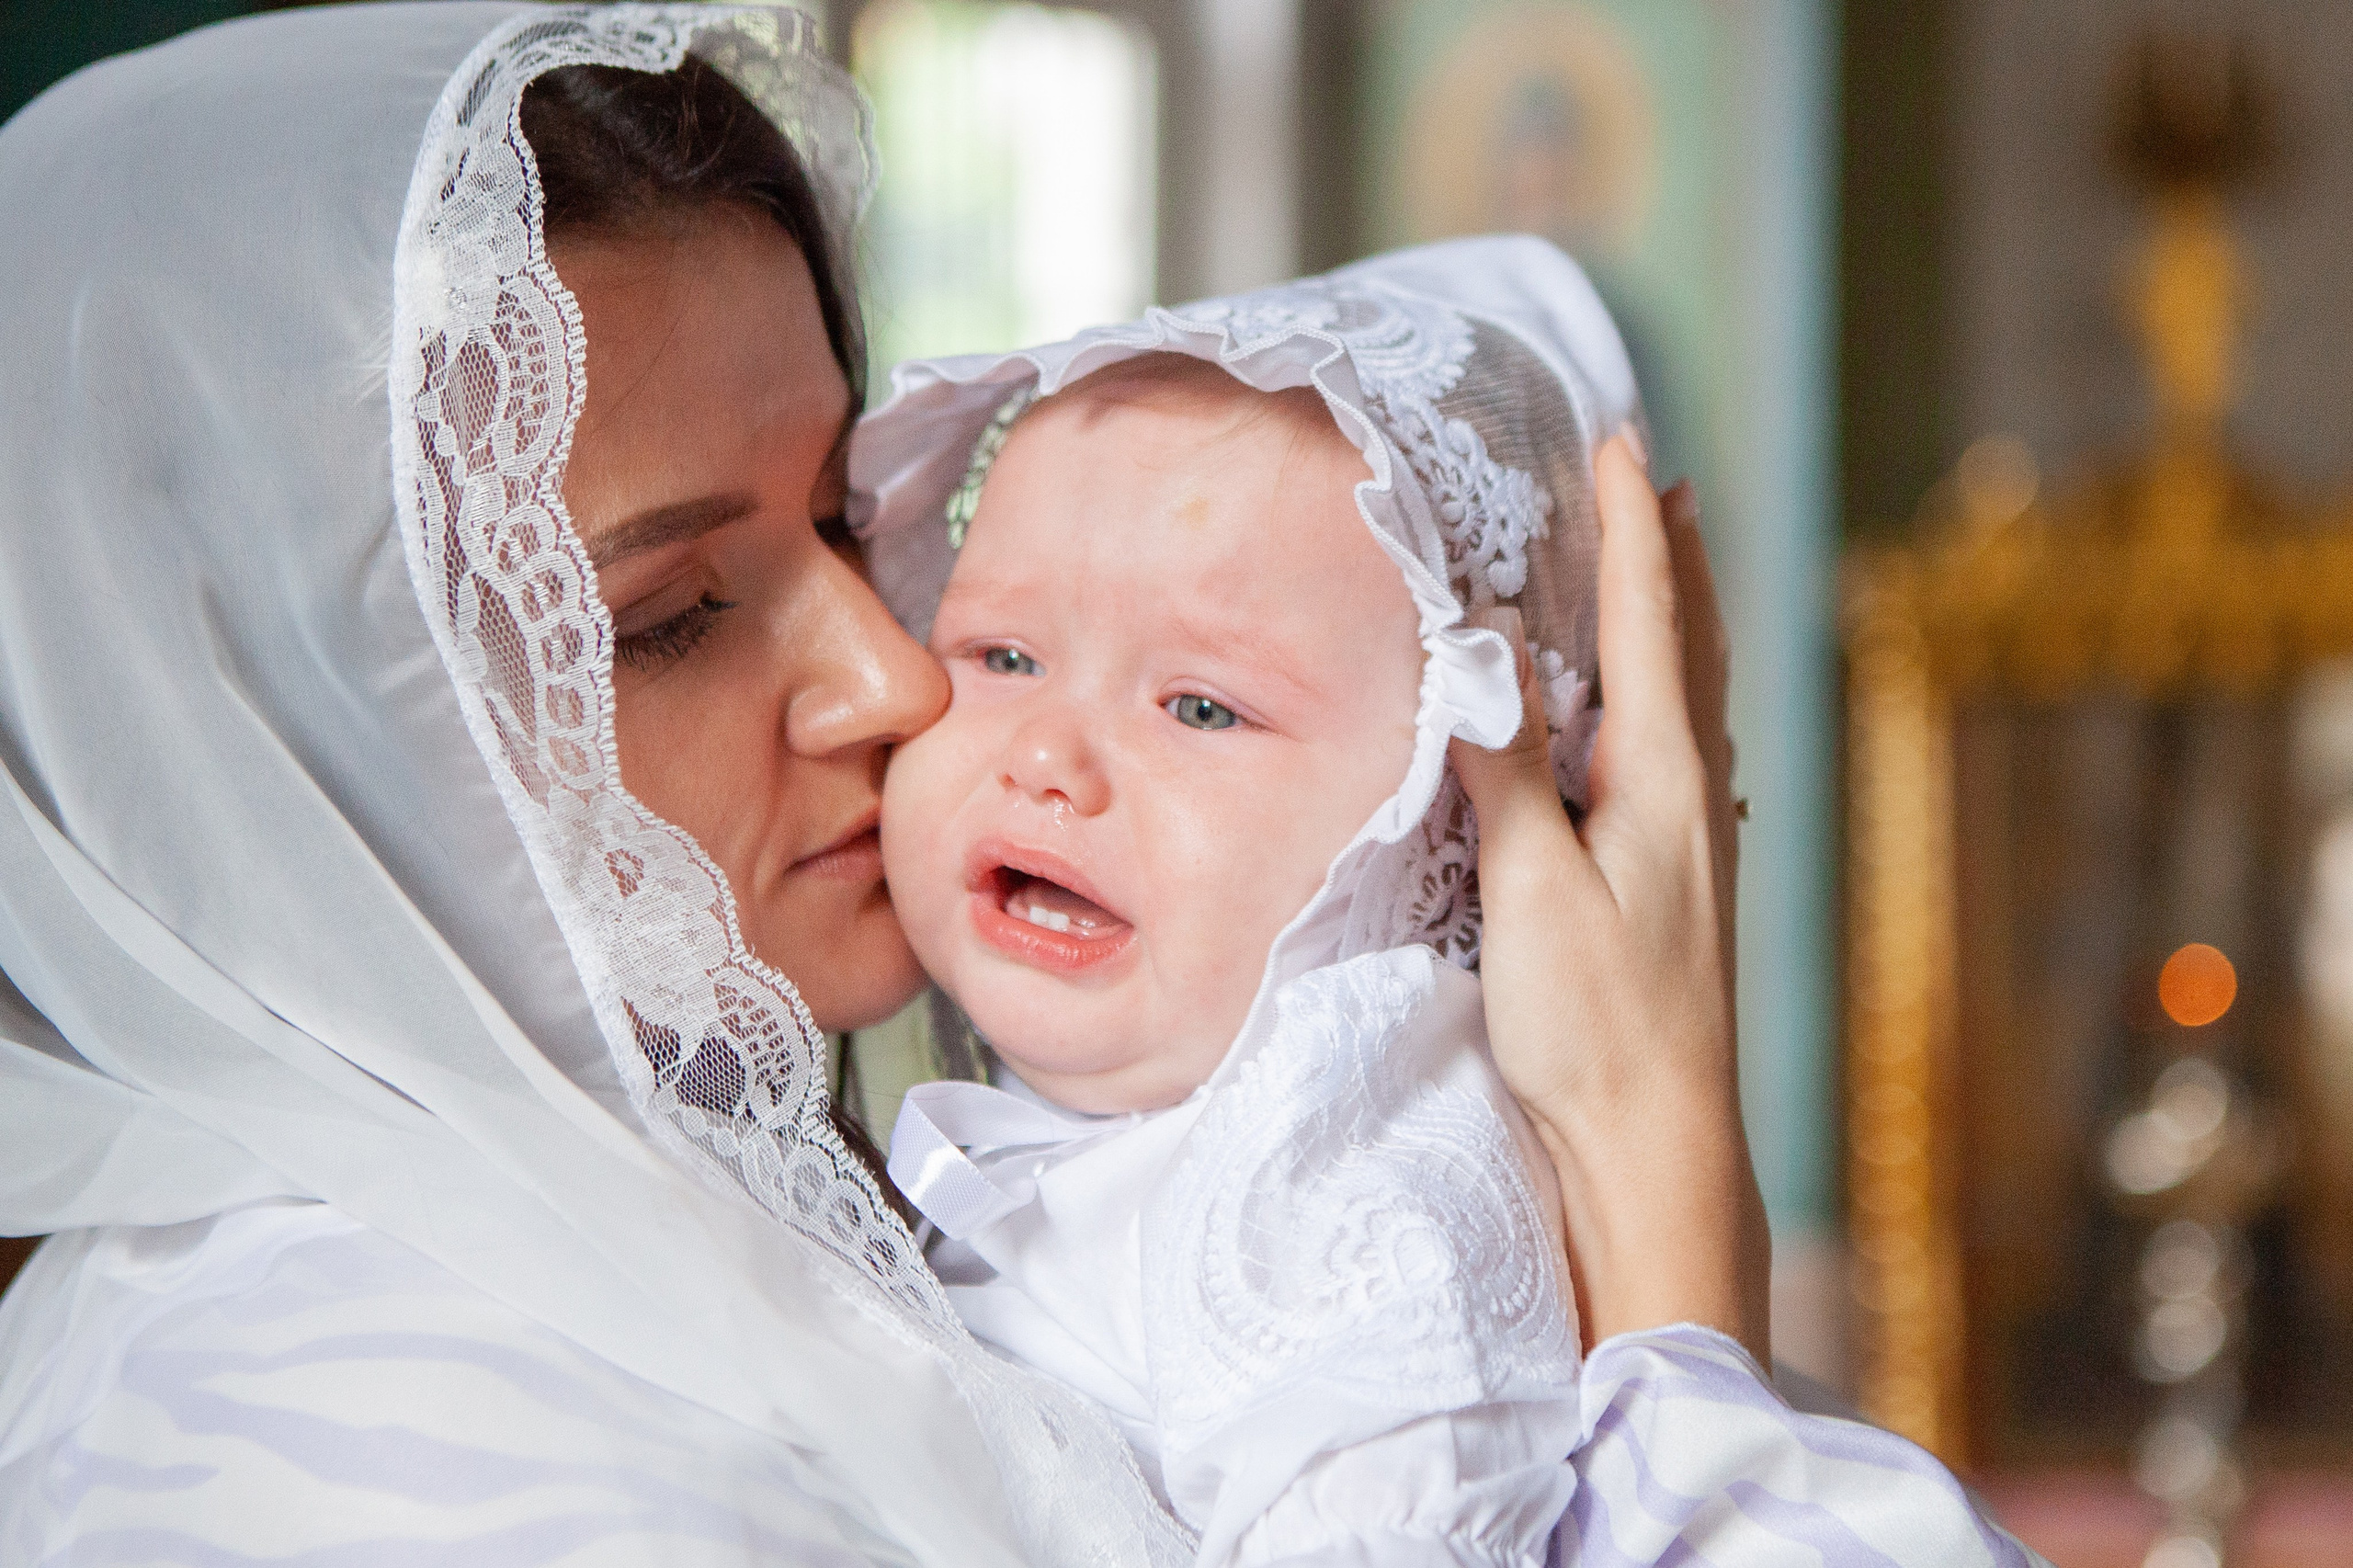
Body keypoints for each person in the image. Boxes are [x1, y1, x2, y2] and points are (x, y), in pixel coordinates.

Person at [0, 5, 2040, 1564]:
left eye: (837, 517)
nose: (893, 676)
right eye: (670, 610)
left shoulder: (684, 1246)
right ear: (261, 729)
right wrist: (1667, 1252)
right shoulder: (341, 1429)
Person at [868, 248, 1633, 1568]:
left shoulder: (1346, 1166)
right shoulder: (1116, 1112)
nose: (1049, 753)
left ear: (1434, 809)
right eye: (1003, 654)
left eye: (1204, 705)